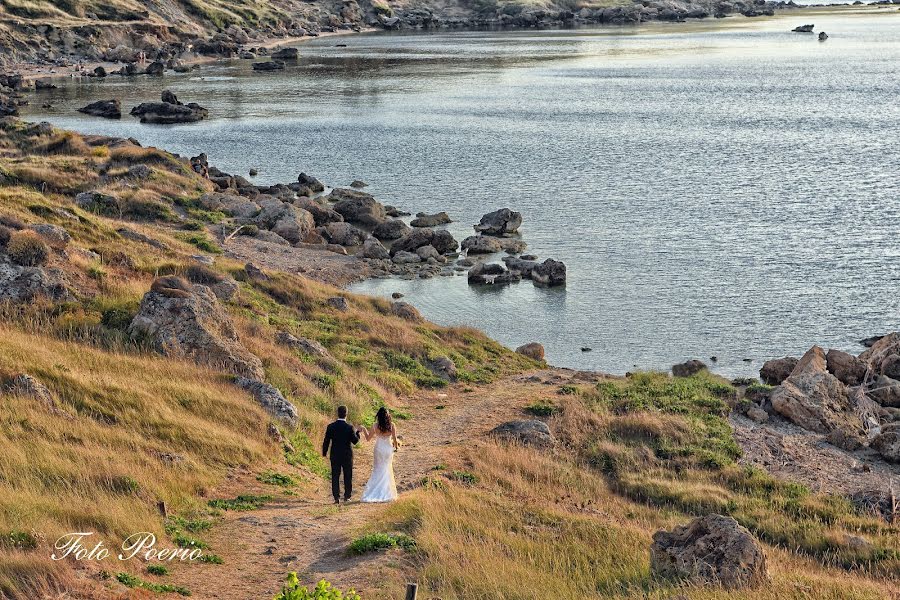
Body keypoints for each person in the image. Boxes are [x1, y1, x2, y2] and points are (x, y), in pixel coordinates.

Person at [359, 407, 399, 503]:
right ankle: (387, 491)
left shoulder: (375, 426)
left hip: (379, 449)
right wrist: (396, 448)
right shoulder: (392, 425)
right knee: (387, 469)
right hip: (388, 449)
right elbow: (394, 440)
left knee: (377, 469)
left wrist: (364, 429)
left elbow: (368, 438)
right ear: (387, 416)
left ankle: (374, 491)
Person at [321, 405, 360, 504]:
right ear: (346, 414)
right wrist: (358, 432)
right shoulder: (349, 427)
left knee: (335, 476)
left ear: (337, 413)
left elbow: (326, 441)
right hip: (347, 455)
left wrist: (324, 452)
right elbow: (355, 441)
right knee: (348, 475)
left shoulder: (331, 426)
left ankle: (336, 498)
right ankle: (347, 496)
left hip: (335, 454)